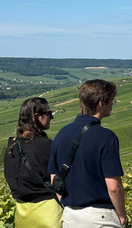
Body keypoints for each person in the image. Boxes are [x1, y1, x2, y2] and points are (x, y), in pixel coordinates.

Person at [48, 79, 126, 227]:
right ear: (101, 104)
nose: (112, 105)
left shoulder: (61, 133)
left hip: (70, 215)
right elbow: (114, 187)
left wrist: (66, 204)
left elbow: (54, 178)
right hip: (100, 217)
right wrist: (121, 215)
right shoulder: (106, 137)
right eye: (111, 101)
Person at [3, 97, 63, 228]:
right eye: (48, 113)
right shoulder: (46, 145)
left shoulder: (11, 148)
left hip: (22, 216)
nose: (51, 117)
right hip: (49, 214)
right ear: (37, 116)